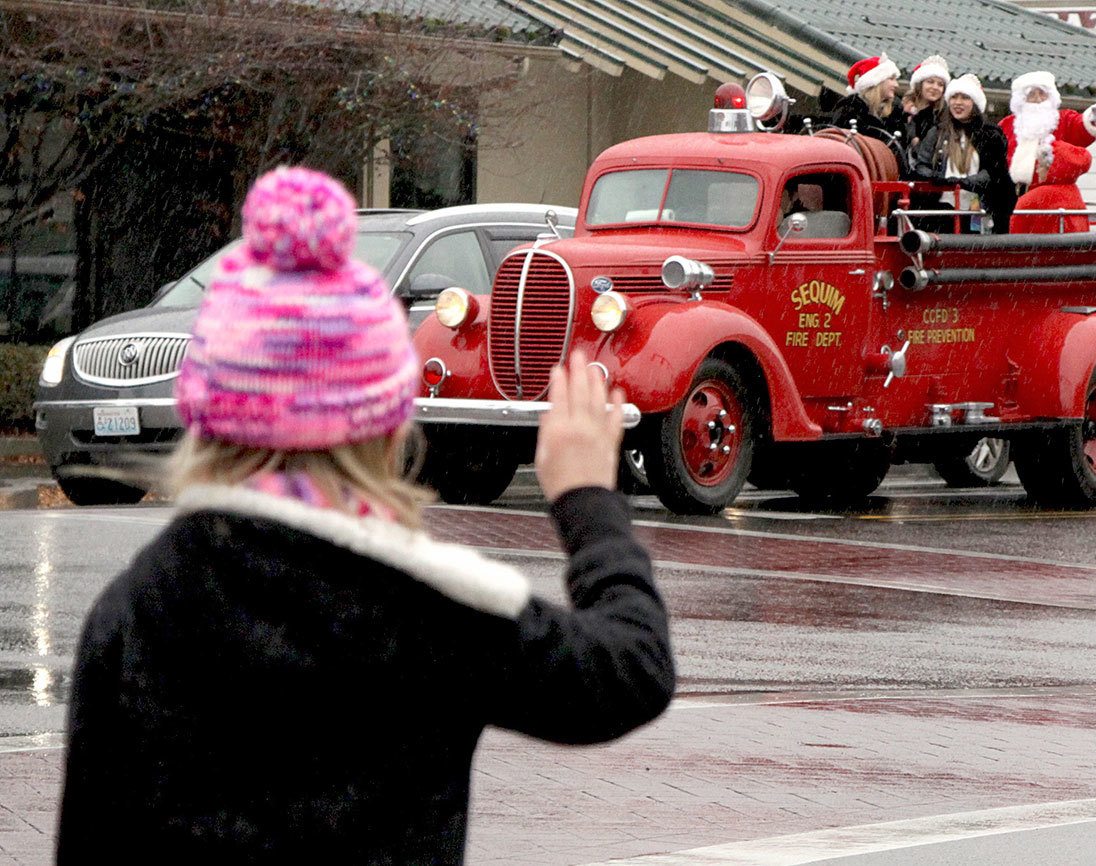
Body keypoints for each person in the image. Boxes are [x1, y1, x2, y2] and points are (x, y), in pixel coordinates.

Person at [56, 167, 676, 864]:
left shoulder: (137, 606)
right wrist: (587, 498)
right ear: (387, 427)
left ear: (210, 413)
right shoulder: (432, 606)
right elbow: (630, 669)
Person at [997, 70, 1096, 233]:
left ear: (1050, 97)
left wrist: (1095, 117)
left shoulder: (1063, 120)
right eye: (1031, 94)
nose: (1037, 99)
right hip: (1013, 198)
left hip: (1051, 205)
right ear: (1021, 99)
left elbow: (1083, 127)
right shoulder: (1006, 126)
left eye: (1042, 94)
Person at [911, 74, 1016, 233]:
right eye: (954, 97)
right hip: (940, 212)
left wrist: (963, 182)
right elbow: (921, 165)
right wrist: (939, 180)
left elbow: (994, 172)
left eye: (965, 98)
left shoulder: (990, 134)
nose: (958, 103)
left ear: (974, 102)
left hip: (978, 211)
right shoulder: (937, 132)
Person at [831, 54, 909, 171]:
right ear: (877, 82)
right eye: (891, 79)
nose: (896, 85)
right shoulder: (849, 109)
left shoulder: (895, 113)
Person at [903, 55, 951, 156]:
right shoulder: (901, 109)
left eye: (940, 84)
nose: (935, 87)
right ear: (920, 84)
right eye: (930, 82)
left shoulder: (942, 117)